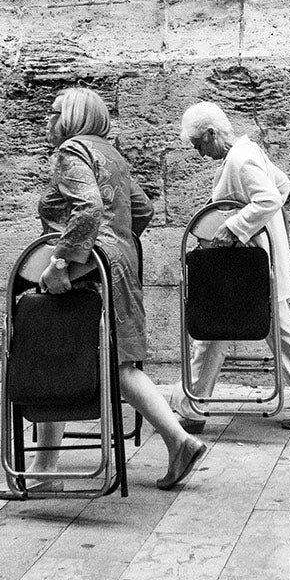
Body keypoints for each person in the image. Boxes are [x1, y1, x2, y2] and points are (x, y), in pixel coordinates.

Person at [32, 86, 206, 491]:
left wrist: (62, 261)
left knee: (54, 354)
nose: (48, 120)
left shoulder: (71, 151)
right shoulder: (110, 153)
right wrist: (117, 242)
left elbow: (89, 206)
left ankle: (45, 471)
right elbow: (142, 208)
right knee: (119, 362)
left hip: (86, 267)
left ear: (73, 117)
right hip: (117, 264)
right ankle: (178, 440)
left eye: (55, 112)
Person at [173, 101, 290, 432]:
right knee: (251, 330)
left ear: (212, 133)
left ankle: (191, 409)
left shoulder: (241, 160)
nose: (200, 153)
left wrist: (235, 227)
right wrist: (254, 225)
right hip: (255, 264)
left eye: (199, 144)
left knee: (213, 329)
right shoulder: (247, 152)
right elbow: (282, 185)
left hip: (247, 265)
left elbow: (270, 198)